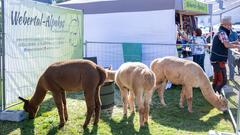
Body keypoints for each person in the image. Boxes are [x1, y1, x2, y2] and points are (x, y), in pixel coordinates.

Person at [210, 16, 240, 94]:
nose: (231, 26)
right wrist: (237, 46)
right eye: (229, 25)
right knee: (222, 80)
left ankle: (213, 95)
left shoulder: (221, 32)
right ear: (225, 25)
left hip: (216, 59)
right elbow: (226, 45)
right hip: (218, 60)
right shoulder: (222, 32)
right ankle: (216, 96)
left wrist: (234, 43)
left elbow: (224, 44)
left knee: (217, 79)